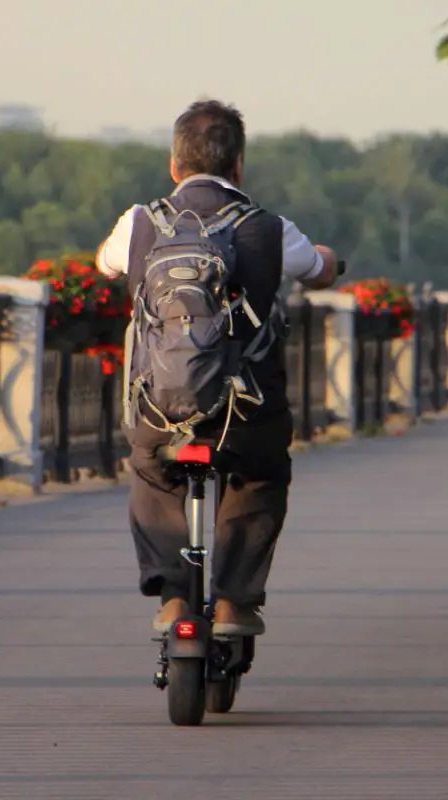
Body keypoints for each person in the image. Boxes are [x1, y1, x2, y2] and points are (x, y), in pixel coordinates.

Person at [94, 99, 340, 636]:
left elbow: (103, 263)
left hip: (159, 407)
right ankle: (233, 602)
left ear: (174, 165)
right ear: (238, 166)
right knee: (260, 474)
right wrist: (329, 259)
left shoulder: (140, 221)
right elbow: (319, 271)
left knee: (150, 469)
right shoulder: (269, 228)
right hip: (245, 411)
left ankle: (172, 597)